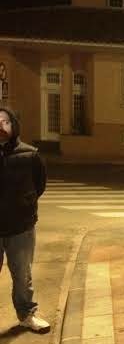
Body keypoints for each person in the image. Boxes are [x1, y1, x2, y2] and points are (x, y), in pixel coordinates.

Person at [0, 107, 50, 332]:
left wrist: (24, 205)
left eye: (5, 122)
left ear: (14, 125)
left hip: (20, 228)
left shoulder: (30, 155)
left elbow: (39, 185)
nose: (1, 126)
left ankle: (26, 314)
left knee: (22, 275)